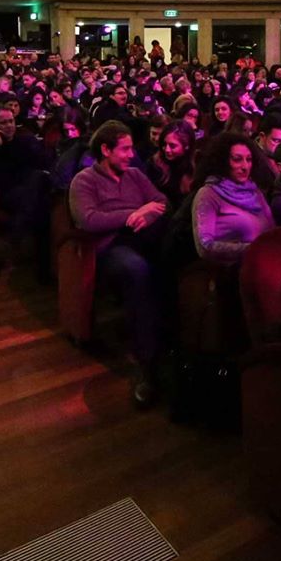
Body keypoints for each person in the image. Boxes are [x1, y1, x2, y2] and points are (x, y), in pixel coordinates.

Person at [67, 121, 171, 407]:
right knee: (136, 270)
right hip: (109, 248)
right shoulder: (84, 180)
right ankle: (146, 363)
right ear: (105, 149)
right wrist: (133, 213)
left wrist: (147, 215)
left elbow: (161, 203)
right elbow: (88, 219)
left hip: (143, 239)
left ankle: (169, 342)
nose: (130, 155)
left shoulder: (136, 175)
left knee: (171, 261)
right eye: (124, 149)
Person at [190, 131, 273, 264]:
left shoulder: (254, 191)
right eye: (237, 159)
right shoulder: (208, 194)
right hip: (230, 273)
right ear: (223, 161)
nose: (245, 166)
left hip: (263, 264)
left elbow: (271, 230)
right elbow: (204, 247)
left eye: (249, 159)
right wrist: (253, 249)